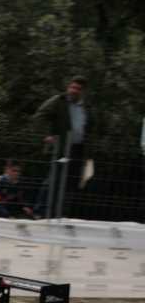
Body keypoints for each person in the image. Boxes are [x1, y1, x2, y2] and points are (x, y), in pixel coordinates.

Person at [32, 75, 91, 218]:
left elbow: (89, 126)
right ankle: (40, 211)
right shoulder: (59, 101)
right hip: (62, 146)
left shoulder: (86, 106)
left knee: (71, 182)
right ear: (68, 87)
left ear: (83, 91)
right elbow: (39, 116)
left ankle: (59, 213)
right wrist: (46, 135)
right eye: (72, 87)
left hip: (78, 148)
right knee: (54, 178)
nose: (74, 91)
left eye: (78, 89)